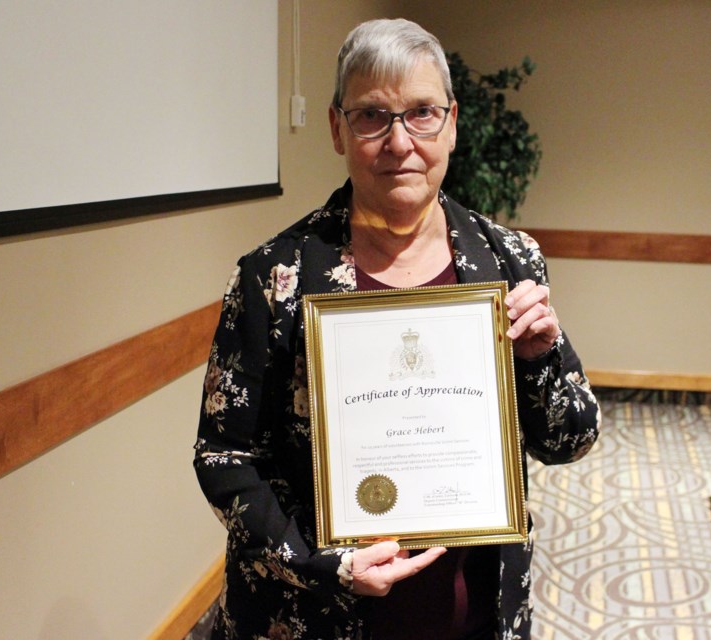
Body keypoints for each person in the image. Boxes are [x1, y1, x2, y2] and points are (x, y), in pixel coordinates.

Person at [194, 18, 600, 640]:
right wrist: (320, 564)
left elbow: (569, 440)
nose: (400, 140)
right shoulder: (274, 277)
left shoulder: (508, 260)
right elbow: (224, 457)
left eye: (421, 113)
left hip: (471, 612)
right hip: (317, 617)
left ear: (452, 122)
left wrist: (539, 357)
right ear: (337, 128)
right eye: (372, 117)